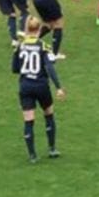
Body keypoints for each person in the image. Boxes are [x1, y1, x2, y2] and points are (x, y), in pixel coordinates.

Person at [13, 16, 65, 164]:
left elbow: (14, 69)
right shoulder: (43, 46)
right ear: (39, 30)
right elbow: (50, 68)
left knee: (28, 121)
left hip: (25, 86)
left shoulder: (20, 46)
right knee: (48, 114)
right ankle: (52, 148)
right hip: (41, 85)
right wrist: (59, 87)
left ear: (27, 29)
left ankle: (32, 155)